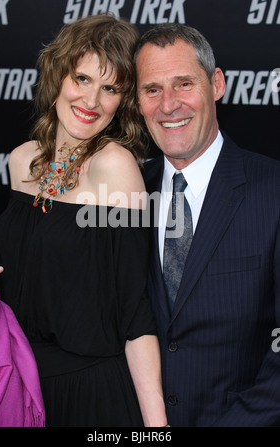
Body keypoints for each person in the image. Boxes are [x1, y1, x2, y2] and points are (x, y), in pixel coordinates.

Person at [0, 14, 168, 427]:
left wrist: (157, 428)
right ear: (57, 76)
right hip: (20, 385)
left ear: (123, 102)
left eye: (110, 89)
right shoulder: (21, 161)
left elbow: (134, 313)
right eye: (82, 79)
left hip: (89, 392)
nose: (91, 101)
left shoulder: (115, 167)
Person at [135, 23, 280, 426]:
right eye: (152, 90)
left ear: (216, 84)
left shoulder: (273, 192)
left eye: (183, 84)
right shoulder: (124, 195)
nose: (168, 105)